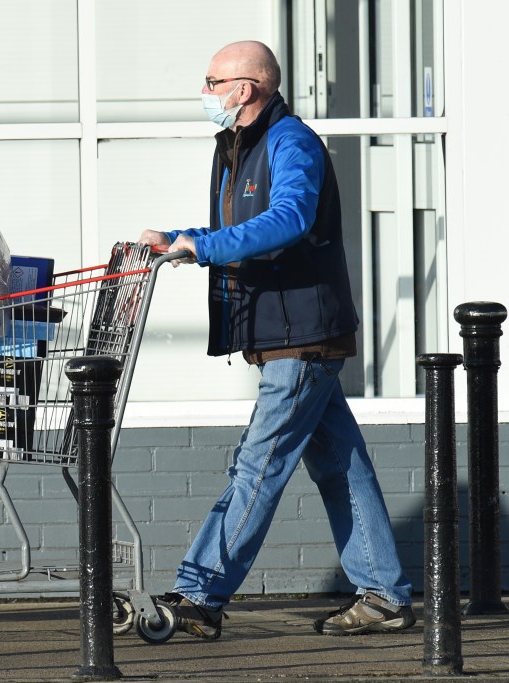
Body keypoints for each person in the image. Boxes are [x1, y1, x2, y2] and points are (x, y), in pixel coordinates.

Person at [138, 40, 414, 639]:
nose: (204, 91)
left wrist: (203, 247)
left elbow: (290, 218)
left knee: (257, 466)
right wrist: (182, 238)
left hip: (302, 336)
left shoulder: (291, 141)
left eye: (212, 81)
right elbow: (240, 228)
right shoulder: (238, 146)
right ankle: (385, 595)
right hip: (290, 334)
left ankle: (198, 594)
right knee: (343, 466)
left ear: (246, 88)